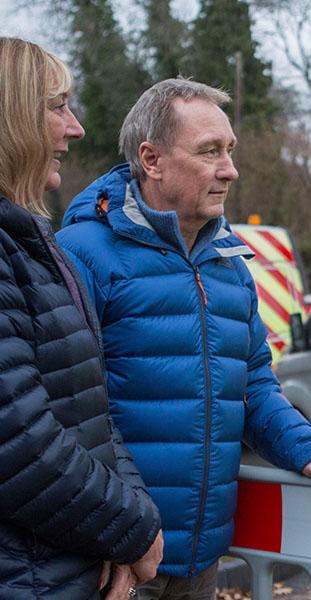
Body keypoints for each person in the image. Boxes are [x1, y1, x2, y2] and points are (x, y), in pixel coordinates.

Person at [58, 78, 311, 599]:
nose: (230, 169)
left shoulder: (231, 264)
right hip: (115, 562)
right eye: (209, 152)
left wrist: (305, 448)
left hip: (201, 559)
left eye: (230, 150)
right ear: (151, 160)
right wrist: (113, 533)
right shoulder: (81, 254)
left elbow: (253, 385)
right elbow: (70, 414)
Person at [0, 37, 163, 600]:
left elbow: (91, 413)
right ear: (10, 115)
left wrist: (126, 525)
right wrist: (131, 529)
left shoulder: (30, 240)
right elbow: (19, 442)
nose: (75, 128)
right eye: (56, 105)